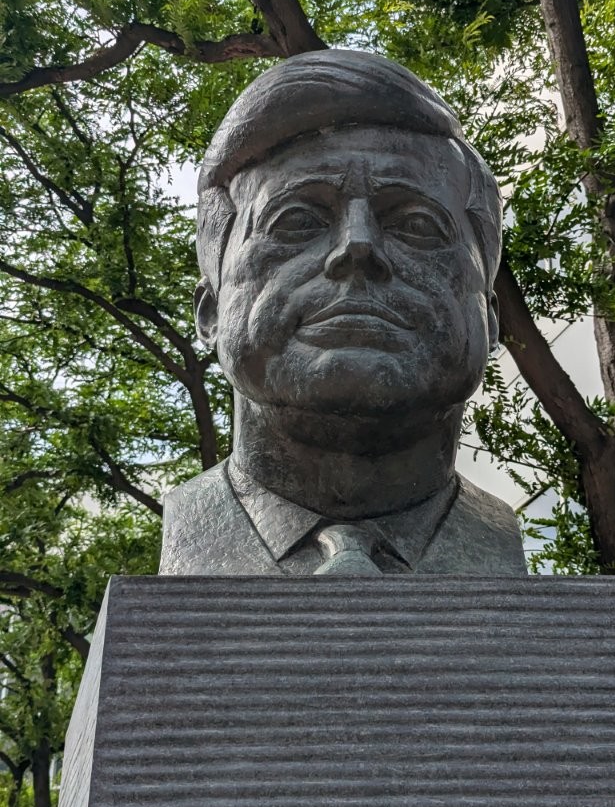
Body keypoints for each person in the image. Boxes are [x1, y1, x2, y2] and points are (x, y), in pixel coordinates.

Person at [159, 49, 526, 576]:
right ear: (211, 310)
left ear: (489, 318)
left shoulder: (497, 543)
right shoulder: (191, 533)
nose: (358, 248)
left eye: (419, 224)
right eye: (296, 221)